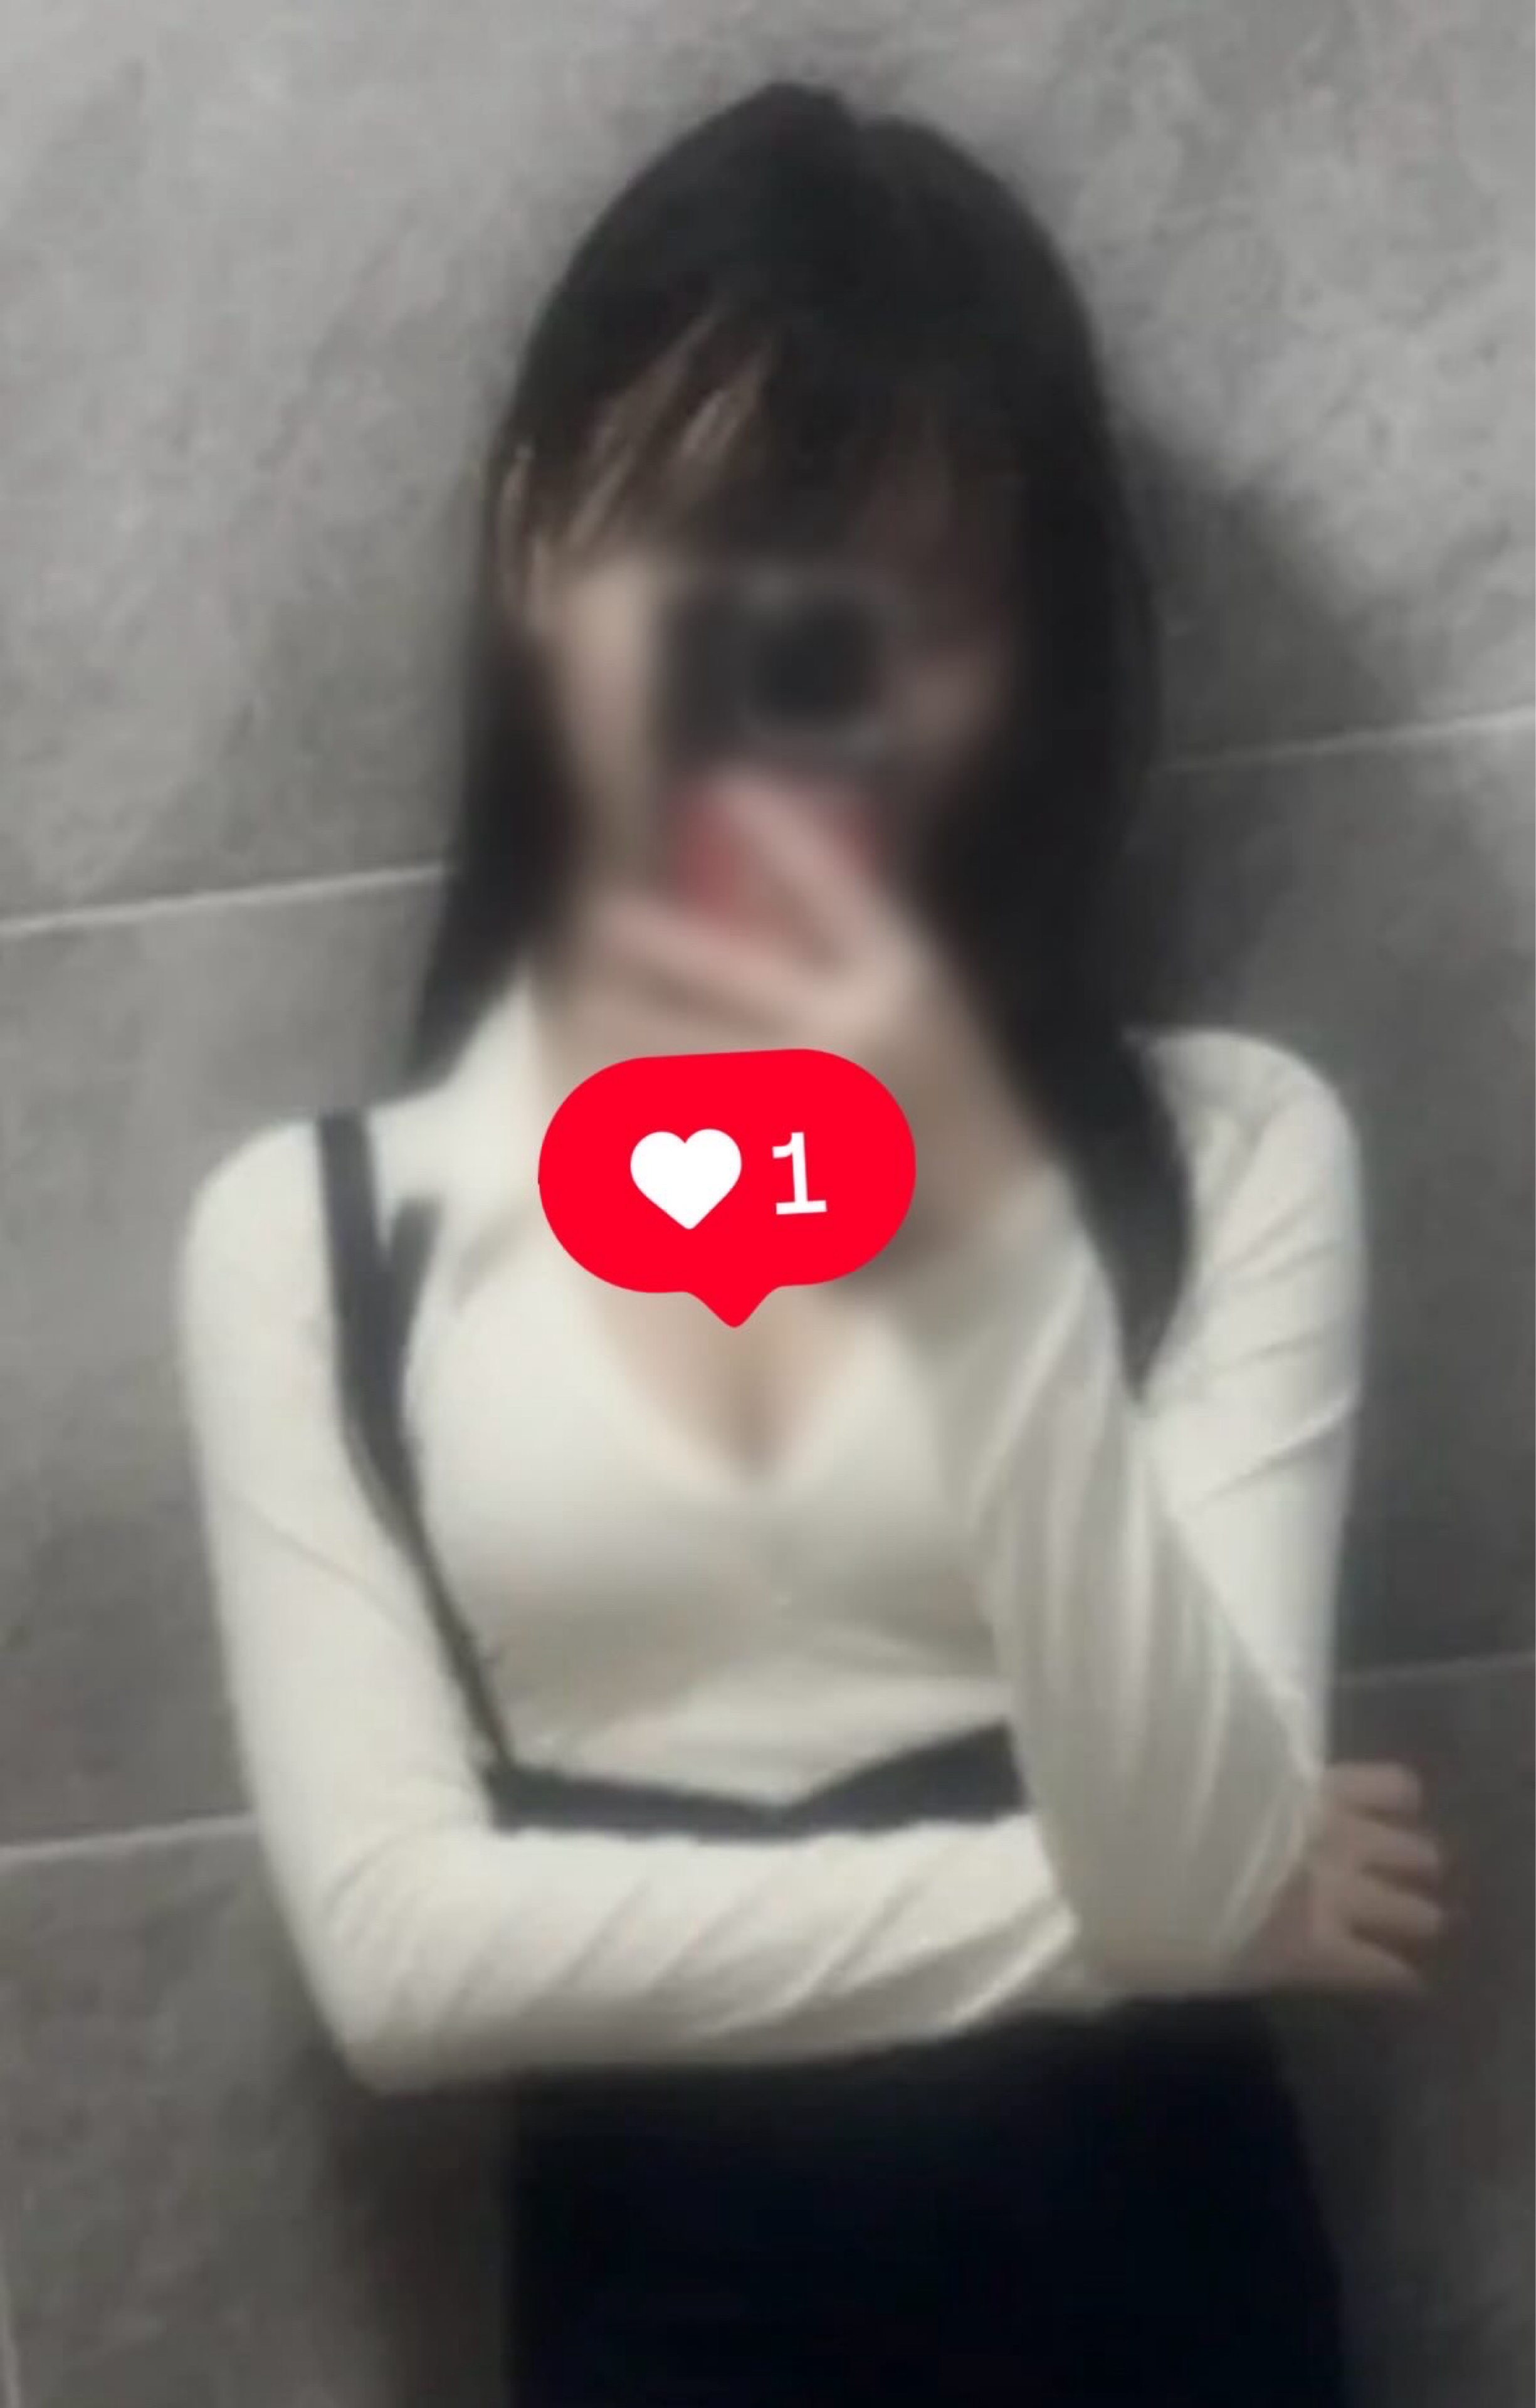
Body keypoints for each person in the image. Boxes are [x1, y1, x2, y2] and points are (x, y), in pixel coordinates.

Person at [177, 82, 1447, 2407]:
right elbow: (401, 1967)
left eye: (903, 611)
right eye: (704, 564)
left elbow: (1194, 1871)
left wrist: (959, 1190)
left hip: (1170, 2311)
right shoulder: (318, 1243)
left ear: (1016, 655)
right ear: (533, 545)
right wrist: (1103, 1919)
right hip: (662, 2333)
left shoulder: (1223, 1151)